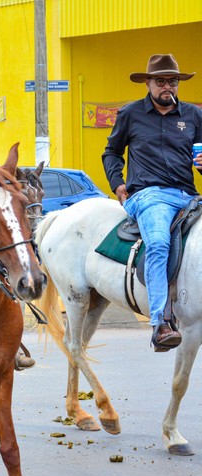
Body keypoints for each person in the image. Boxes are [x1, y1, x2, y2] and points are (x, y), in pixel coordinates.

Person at [102, 53, 202, 351]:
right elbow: (111, 153)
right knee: (158, 243)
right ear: (148, 83)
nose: (167, 87)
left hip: (187, 194)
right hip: (148, 195)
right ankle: (160, 322)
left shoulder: (193, 116)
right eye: (161, 81)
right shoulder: (130, 114)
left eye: (173, 81)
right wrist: (118, 186)